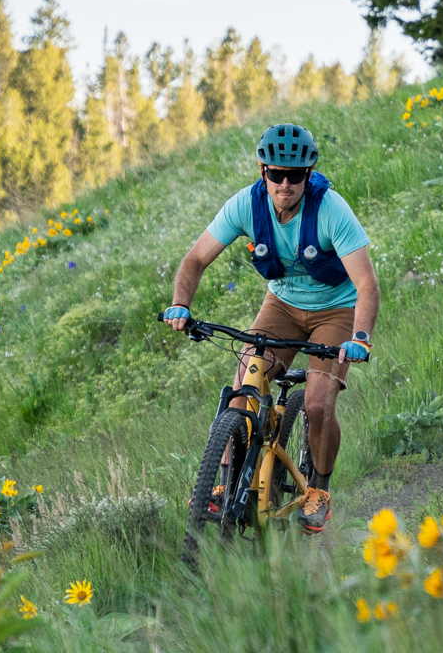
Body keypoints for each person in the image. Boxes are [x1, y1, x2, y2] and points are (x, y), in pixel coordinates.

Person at [163, 123, 380, 533]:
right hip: (281, 305)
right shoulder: (245, 205)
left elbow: (367, 284)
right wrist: (180, 305)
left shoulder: (331, 209)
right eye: (276, 174)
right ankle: (224, 482)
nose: (285, 183)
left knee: (317, 403)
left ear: (308, 175)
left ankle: (318, 489)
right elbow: (194, 260)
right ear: (263, 171)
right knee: (245, 384)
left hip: (335, 311)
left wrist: (360, 338)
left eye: (295, 175)